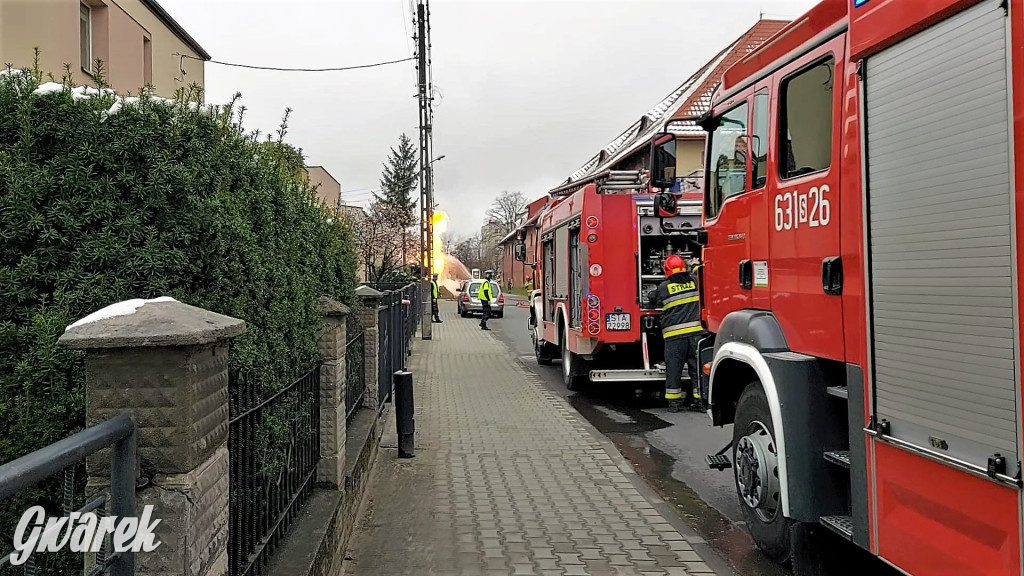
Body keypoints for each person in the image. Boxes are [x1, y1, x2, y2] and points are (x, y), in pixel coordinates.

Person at [648, 254, 701, 412]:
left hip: (674, 338)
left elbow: (653, 299)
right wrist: (695, 265)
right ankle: (699, 401)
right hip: (696, 335)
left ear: (667, 270)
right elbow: (701, 274)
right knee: (697, 369)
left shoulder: (664, 287)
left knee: (674, 371)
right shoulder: (695, 281)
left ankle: (674, 404)